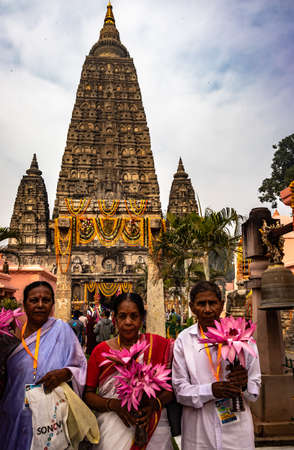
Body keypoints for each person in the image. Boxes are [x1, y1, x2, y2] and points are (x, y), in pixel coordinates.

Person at [172, 280, 261, 450]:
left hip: (237, 432)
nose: (207, 309)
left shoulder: (243, 338)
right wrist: (211, 390)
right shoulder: (184, 341)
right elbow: (180, 389)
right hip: (199, 433)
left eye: (212, 303)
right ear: (192, 307)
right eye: (201, 304)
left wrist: (244, 385)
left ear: (221, 305)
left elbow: (255, 388)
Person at [0, 281, 87, 450]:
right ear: (24, 304)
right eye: (34, 300)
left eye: (46, 300)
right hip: (14, 413)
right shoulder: (10, 335)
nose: (40, 305)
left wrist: (65, 373)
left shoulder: (62, 330)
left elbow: (81, 366)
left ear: (52, 305)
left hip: (50, 417)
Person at [85, 292, 174, 449]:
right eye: (122, 316)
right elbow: (89, 395)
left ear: (142, 319)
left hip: (154, 423)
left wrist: (153, 404)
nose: (128, 322)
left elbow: (171, 389)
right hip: (113, 426)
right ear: (115, 319)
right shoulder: (101, 351)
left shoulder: (158, 344)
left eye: (134, 316)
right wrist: (114, 405)